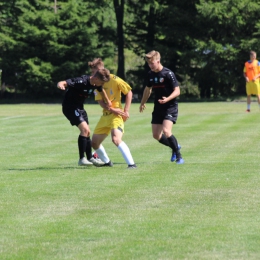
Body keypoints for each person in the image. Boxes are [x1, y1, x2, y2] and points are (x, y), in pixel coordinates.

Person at [57, 69, 112, 167]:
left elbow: (101, 90)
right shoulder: (81, 81)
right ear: (95, 78)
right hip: (70, 107)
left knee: (87, 132)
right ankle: (82, 159)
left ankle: (90, 158)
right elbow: (63, 82)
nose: (102, 84)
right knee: (84, 130)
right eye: (102, 82)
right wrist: (60, 85)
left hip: (80, 108)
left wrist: (107, 100)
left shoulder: (96, 84)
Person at [88, 58, 137, 169]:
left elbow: (129, 92)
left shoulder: (115, 79)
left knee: (115, 139)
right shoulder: (96, 83)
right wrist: (111, 109)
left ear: (101, 69)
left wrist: (126, 111)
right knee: (94, 143)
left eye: (94, 71)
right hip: (106, 116)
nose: (93, 75)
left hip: (116, 115)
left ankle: (132, 164)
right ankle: (107, 162)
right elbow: (100, 101)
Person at [139, 50, 184, 164]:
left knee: (166, 131)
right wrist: (143, 102)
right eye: (148, 64)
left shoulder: (168, 74)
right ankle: (175, 146)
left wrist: (167, 99)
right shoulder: (150, 74)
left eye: (152, 63)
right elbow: (148, 89)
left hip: (170, 106)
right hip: (158, 107)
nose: (150, 66)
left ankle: (179, 156)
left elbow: (177, 91)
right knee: (156, 135)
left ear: (158, 61)